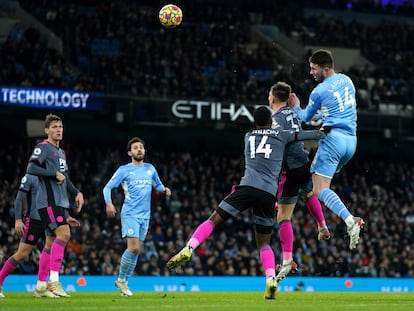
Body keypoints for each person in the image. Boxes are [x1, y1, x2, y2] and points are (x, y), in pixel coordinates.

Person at [166, 106, 326, 299]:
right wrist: (324, 131)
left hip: (246, 187)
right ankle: (270, 279)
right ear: (271, 121)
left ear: (254, 122)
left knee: (213, 219)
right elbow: (306, 135)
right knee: (263, 243)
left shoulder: (248, 137)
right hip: (268, 194)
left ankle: (188, 248)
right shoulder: (282, 135)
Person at [287, 49, 365, 250]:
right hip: (351, 142)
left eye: (314, 69)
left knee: (320, 188)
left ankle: (350, 220)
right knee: (315, 184)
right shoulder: (347, 80)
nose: (311, 72)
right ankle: (322, 225)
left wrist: (295, 106)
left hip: (334, 141)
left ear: (326, 69)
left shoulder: (319, 91)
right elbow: (337, 109)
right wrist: (323, 117)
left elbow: (304, 118)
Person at [268, 81, 330, 282]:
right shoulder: (294, 112)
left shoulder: (277, 118)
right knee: (308, 193)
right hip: (304, 163)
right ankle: (322, 226)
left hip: (290, 169)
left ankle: (287, 260)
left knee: (283, 217)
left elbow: (284, 137)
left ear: (273, 98)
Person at [103, 137, 172, 297]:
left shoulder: (150, 168)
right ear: (130, 152)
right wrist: (109, 203)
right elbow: (107, 187)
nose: (139, 149)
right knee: (133, 248)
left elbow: (158, 184)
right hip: (130, 213)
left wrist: (164, 189)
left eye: (141, 147)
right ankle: (121, 279)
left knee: (136, 250)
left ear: (144, 151)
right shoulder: (124, 170)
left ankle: (124, 283)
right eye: (135, 148)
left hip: (145, 216)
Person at [26, 113, 84, 297]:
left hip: (60, 202)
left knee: (50, 243)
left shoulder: (61, 152)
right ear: (47, 130)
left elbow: (64, 178)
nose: (58, 129)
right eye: (54, 127)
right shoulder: (42, 147)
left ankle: (41, 287)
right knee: (64, 233)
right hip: (47, 201)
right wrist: (53, 173)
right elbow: (31, 168)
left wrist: (76, 193)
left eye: (60, 127)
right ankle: (54, 281)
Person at [0, 174, 80, 298]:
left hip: (50, 217)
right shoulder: (30, 177)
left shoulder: (53, 176)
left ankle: (41, 287)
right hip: (34, 220)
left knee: (49, 246)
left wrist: (66, 216)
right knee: (22, 254)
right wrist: (18, 219)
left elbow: (59, 199)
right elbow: (19, 199)